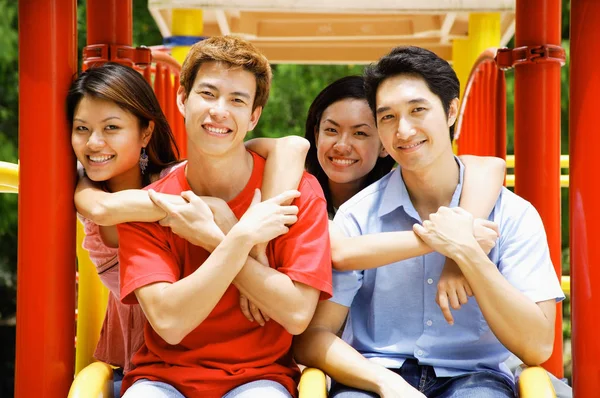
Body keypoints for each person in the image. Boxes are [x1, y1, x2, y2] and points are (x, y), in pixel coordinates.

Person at [294, 46, 564, 398]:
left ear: (451, 110)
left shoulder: (511, 214)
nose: (403, 130)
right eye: (387, 117)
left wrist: (465, 253)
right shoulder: (355, 214)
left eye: (417, 110)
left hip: (474, 378)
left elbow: (537, 347)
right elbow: (313, 336)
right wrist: (385, 382)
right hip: (375, 373)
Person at [68, 62, 310, 396]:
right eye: (81, 129)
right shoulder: (101, 195)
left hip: (208, 344)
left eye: (111, 128)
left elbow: (292, 146)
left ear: (146, 133)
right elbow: (102, 209)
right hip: (149, 352)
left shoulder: (183, 176)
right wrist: (219, 217)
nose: (95, 143)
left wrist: (259, 244)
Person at [116, 36, 332, 398]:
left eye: (237, 100)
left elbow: (296, 314)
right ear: (182, 100)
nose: (220, 110)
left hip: (260, 379)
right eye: (208, 94)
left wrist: (216, 239)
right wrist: (242, 241)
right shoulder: (150, 203)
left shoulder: (296, 193)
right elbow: (169, 323)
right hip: (162, 378)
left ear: (254, 116)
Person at [304, 75, 505, 323]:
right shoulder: (303, 193)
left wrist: (458, 254)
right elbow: (339, 251)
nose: (342, 145)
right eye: (331, 130)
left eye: (360, 133)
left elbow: (489, 166)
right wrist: (456, 240)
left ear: (384, 145)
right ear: (316, 134)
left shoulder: (397, 193)